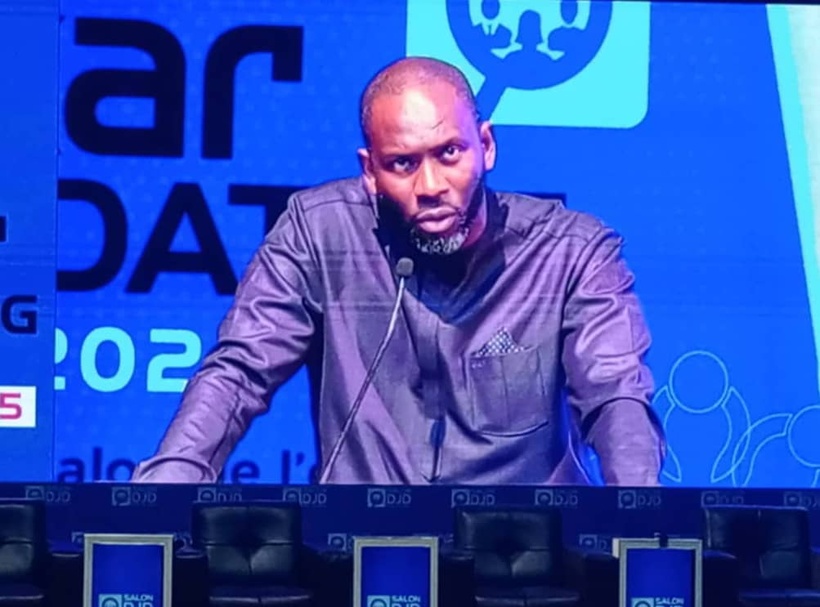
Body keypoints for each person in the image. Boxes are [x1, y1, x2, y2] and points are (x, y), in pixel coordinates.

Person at [131, 56, 665, 486]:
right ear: (370, 171)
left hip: (528, 555)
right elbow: (240, 370)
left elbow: (614, 393)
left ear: (485, 146)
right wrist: (166, 492)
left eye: (449, 153)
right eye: (403, 164)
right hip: (362, 552)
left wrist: (638, 512)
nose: (430, 186)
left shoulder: (572, 252)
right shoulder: (318, 232)